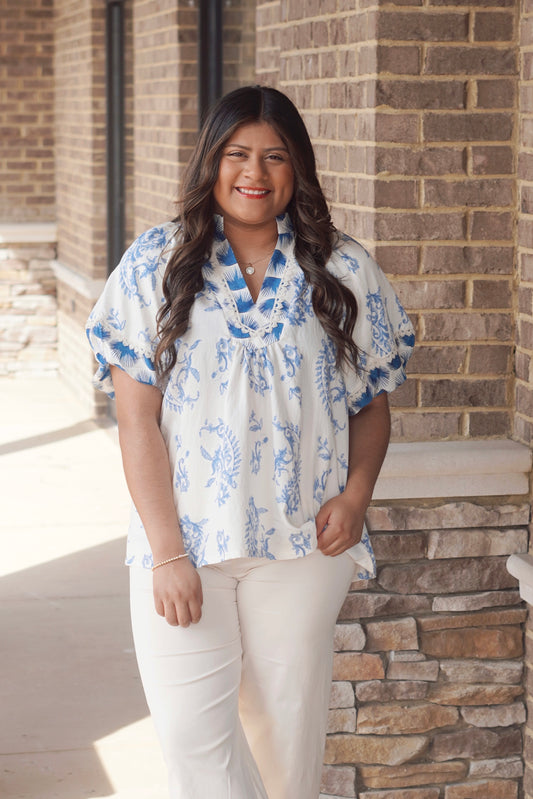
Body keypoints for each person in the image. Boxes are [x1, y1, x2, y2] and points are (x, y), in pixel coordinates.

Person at [86, 85, 415, 799]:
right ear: (211, 162)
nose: (255, 173)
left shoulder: (344, 270)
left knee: (285, 750)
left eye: (275, 156)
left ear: (298, 169)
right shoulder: (153, 264)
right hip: (186, 550)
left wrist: (356, 497)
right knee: (194, 745)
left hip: (301, 549)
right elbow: (136, 420)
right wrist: (169, 551)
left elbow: (372, 403)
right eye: (238, 154)